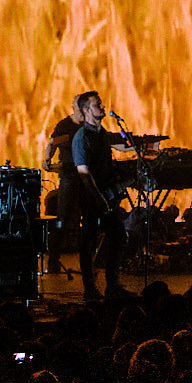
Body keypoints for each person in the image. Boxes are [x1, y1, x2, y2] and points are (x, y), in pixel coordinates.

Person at [68, 92, 127, 299]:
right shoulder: (82, 138)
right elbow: (84, 173)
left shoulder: (103, 134)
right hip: (91, 199)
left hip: (107, 197)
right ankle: (89, 288)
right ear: (86, 110)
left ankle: (112, 285)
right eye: (97, 105)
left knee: (118, 237)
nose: (102, 107)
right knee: (89, 241)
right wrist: (99, 199)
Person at [44, 99, 87, 280]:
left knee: (90, 218)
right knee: (61, 219)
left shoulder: (91, 124)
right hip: (70, 174)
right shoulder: (65, 125)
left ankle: (88, 264)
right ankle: (53, 261)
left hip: (86, 175)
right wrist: (47, 160)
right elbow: (52, 143)